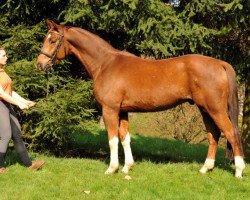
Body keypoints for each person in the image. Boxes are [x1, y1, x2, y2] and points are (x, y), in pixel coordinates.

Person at [0, 47, 45, 173]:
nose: (6, 57)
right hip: (0, 104)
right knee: (5, 136)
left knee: (17, 134)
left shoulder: (3, 71)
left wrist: (24, 101)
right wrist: (18, 105)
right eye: (3, 55)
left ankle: (29, 165)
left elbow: (10, 92)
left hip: (6, 104)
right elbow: (2, 94)